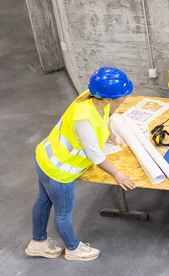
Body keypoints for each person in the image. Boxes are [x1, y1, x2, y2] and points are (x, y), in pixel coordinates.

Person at [26, 67, 137, 261]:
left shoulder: (91, 97)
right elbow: (95, 156)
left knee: (43, 201)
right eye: (123, 96)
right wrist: (117, 174)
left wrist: (108, 129)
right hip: (60, 171)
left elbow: (102, 116)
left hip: (44, 158)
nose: (125, 98)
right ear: (109, 99)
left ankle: (38, 243)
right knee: (63, 213)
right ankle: (73, 249)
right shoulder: (84, 120)